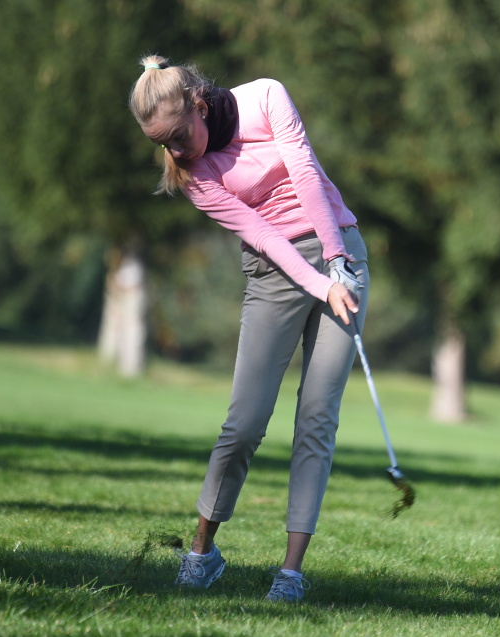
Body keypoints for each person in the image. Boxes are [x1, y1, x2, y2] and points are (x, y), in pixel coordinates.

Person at [128, 55, 368, 603]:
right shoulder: (192, 173)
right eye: (162, 144)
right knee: (244, 423)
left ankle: (291, 573)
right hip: (276, 272)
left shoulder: (266, 96)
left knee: (317, 418)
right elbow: (264, 236)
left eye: (179, 136)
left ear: (198, 105)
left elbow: (306, 173)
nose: (176, 151)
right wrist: (320, 283)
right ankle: (202, 552)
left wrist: (337, 259)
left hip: (341, 252)